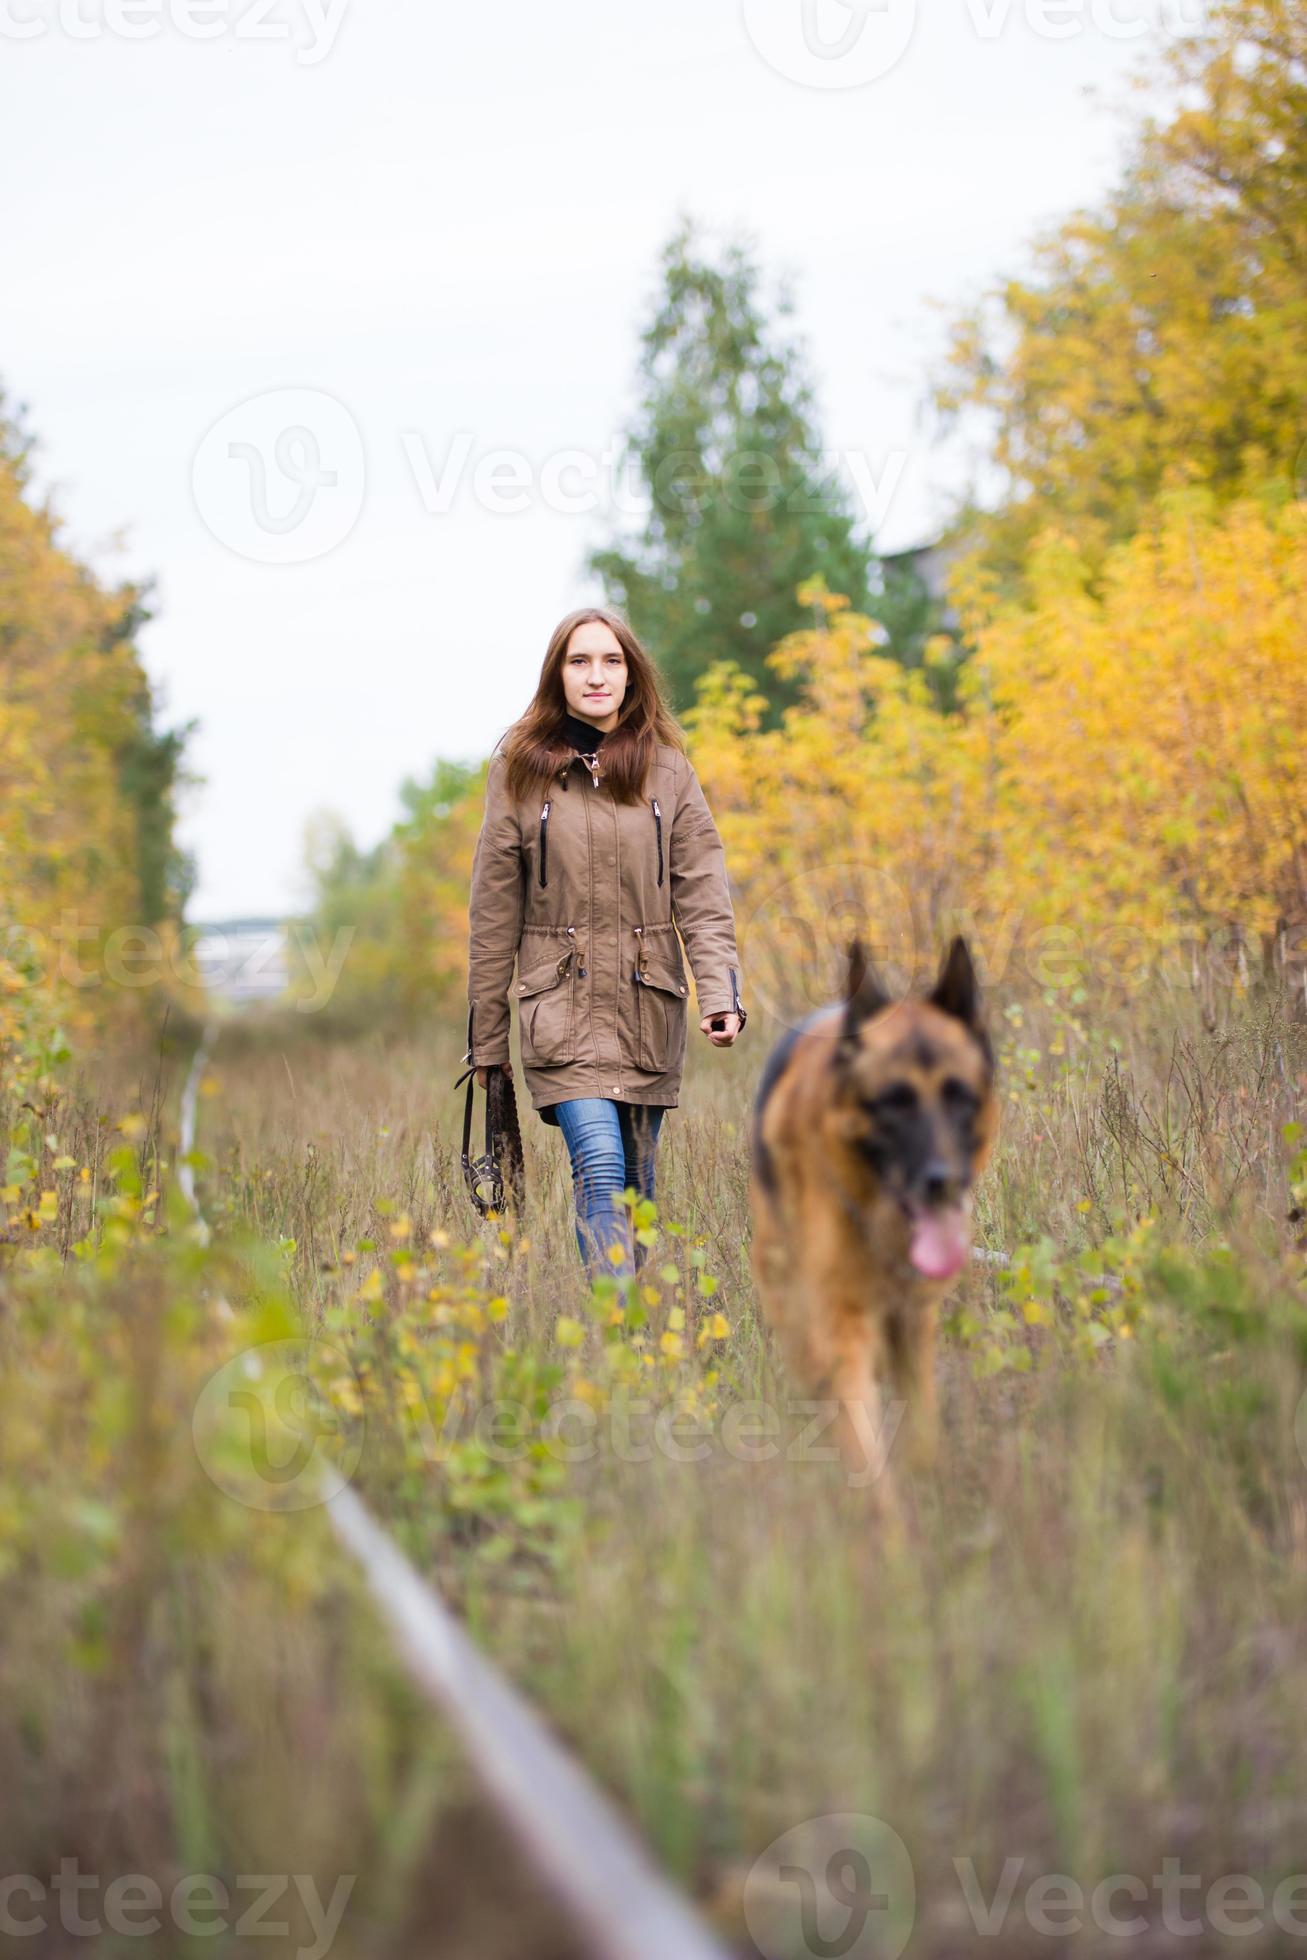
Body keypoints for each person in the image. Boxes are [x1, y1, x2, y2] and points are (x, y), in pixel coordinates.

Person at [464, 605, 747, 1279]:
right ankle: (613, 1320)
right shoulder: (518, 773)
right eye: (580, 661)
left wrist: (719, 993)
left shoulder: (669, 772)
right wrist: (487, 1043)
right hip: (558, 1012)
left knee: (637, 1187)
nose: (596, 676)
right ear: (557, 675)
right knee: (596, 1161)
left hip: (647, 1011)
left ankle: (628, 1320)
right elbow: (492, 917)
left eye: (611, 661)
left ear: (631, 675)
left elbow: (703, 894)